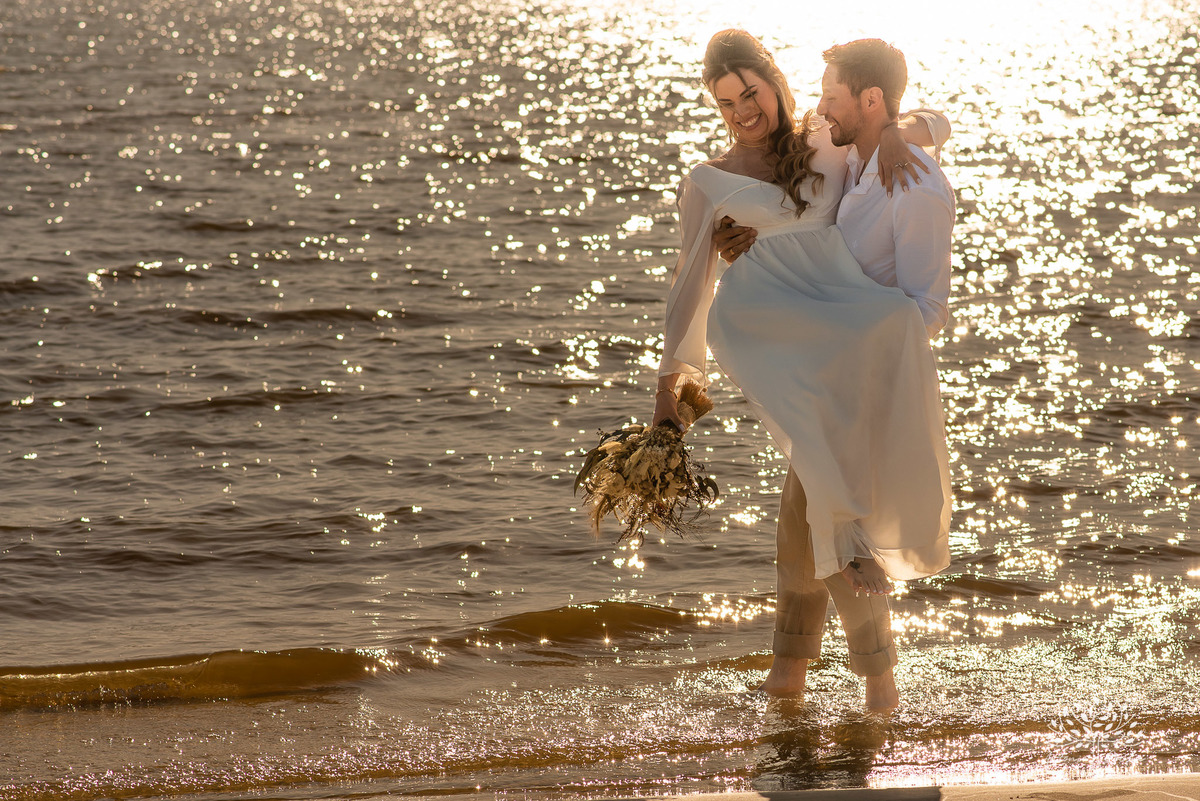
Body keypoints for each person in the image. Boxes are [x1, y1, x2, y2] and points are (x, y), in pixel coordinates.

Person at [652, 30, 953, 711]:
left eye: (750, 92)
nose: (742, 112)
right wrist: (667, 395)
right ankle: (836, 680)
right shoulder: (708, 180)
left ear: (775, 81)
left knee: (816, 514)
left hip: (849, 343)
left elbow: (933, 120)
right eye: (726, 102)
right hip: (786, 344)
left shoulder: (829, 139)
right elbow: (687, 290)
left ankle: (839, 684)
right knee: (818, 507)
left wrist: (906, 134)